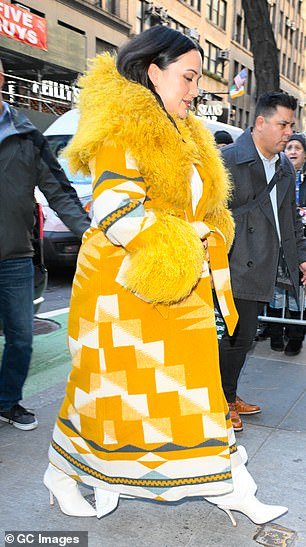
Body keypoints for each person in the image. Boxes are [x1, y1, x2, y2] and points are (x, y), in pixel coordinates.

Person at [44, 26, 287, 525]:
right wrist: (187, 236)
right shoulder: (125, 127)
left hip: (176, 288)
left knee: (192, 390)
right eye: (188, 77)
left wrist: (208, 231)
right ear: (154, 72)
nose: (195, 90)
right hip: (124, 291)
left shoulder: (186, 131)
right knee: (105, 394)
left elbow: (204, 205)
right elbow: (112, 210)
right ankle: (65, 474)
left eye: (197, 78)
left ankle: (229, 484)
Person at [0, 59, 91, 431]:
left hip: (15, 258)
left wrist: (91, 233)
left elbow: (59, 191)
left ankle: (8, 402)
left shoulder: (26, 134)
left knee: (21, 338)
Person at [219, 92, 306, 432]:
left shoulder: (284, 166)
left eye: (291, 126)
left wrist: (300, 257)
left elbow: (289, 218)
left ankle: (229, 393)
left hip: (266, 258)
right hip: (233, 260)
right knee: (235, 335)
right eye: (283, 124)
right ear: (260, 123)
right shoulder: (228, 160)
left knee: (246, 334)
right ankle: (223, 401)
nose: (288, 133)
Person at [267, 132, 306, 355]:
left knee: (298, 296)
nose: (292, 151)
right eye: (289, 147)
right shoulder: (278, 174)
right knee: (276, 291)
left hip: (300, 244)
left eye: (297, 148)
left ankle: (295, 337)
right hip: (278, 242)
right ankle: (275, 333)